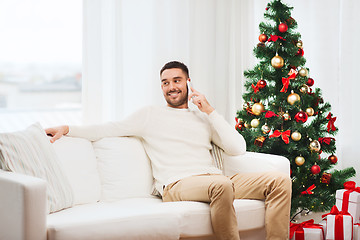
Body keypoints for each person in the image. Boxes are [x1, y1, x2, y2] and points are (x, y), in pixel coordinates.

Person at [46, 61, 291, 240]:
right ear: (161, 87)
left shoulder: (203, 118)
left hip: (217, 181)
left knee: (279, 181)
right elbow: (108, 128)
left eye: (176, 80)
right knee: (222, 185)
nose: (171, 86)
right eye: (165, 82)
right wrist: (67, 128)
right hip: (177, 184)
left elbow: (238, 148)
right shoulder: (150, 115)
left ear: (188, 83)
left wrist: (209, 110)